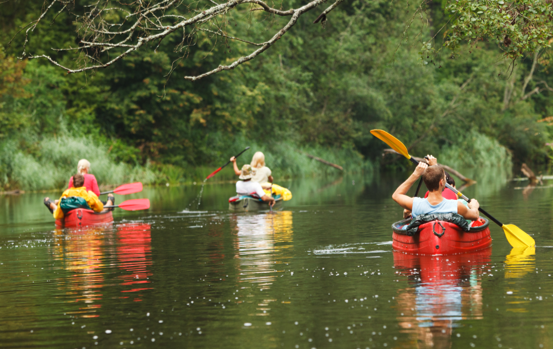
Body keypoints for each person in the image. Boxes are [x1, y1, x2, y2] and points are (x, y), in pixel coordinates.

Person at [393, 162, 479, 221]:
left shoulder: (415, 204)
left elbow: (396, 195)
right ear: (442, 182)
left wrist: (416, 174)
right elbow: (475, 216)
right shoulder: (456, 206)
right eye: (445, 178)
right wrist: (474, 206)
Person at [44, 174, 114, 218]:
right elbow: (100, 208)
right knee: (104, 207)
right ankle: (110, 200)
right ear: (83, 183)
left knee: (51, 203)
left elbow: (58, 213)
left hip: (69, 214)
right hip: (86, 215)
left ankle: (51, 204)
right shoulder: (88, 194)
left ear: (72, 183)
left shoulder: (66, 193)